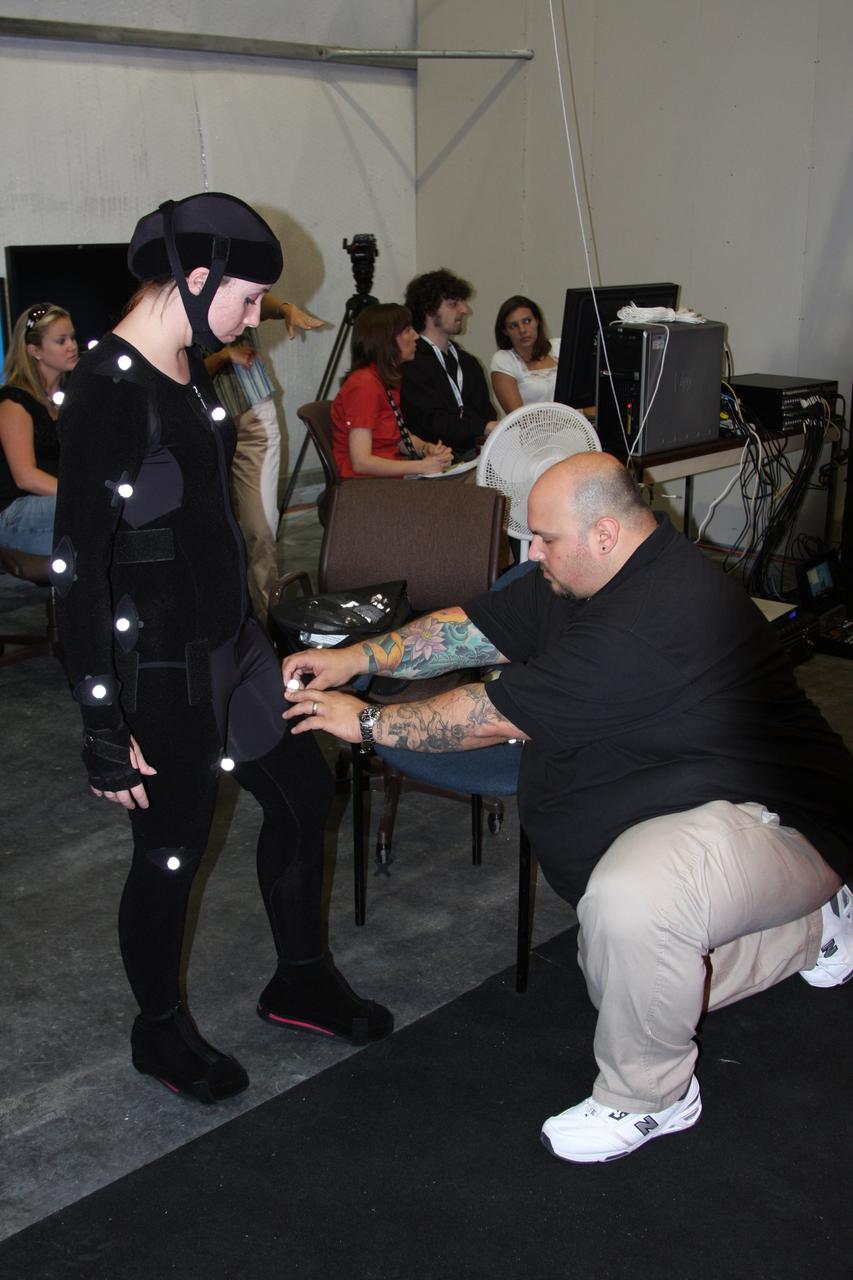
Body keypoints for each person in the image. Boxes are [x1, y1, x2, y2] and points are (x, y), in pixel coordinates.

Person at [281, 451, 853, 1162]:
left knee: (632, 909)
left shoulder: (661, 614)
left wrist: (361, 723)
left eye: (543, 538)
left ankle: (650, 1097)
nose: (530, 553)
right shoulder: (582, 574)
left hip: (786, 822)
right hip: (704, 800)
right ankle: (810, 927)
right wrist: (357, 659)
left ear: (604, 533)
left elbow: (486, 717)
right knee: (615, 966)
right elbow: (472, 628)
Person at [51, 191, 392, 1106]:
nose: (255, 319)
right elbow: (77, 566)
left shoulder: (185, 365)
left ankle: (300, 978)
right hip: (161, 666)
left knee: (305, 790)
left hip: (234, 640)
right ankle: (157, 1031)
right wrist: (97, 718)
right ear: (195, 279)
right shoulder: (109, 390)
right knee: (169, 851)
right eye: (247, 299)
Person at [203, 293, 322, 619]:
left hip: (251, 418)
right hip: (200, 426)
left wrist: (285, 308)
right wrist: (224, 356)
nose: (250, 317)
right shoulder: (175, 293)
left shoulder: (229, 276)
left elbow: (257, 301)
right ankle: (226, 623)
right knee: (212, 532)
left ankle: (270, 627)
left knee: (260, 530)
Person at [331, 303, 453, 479]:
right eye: (408, 330)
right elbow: (361, 462)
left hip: (385, 483)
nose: (416, 336)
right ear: (386, 340)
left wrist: (427, 449)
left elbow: (399, 439)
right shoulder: (364, 384)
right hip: (364, 488)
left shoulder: (382, 380)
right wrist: (421, 466)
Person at [0, 303, 78, 554]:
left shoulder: (68, 399)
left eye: (72, 337)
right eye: (61, 340)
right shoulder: (14, 401)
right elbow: (25, 476)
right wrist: (81, 491)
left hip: (52, 502)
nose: (72, 346)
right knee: (94, 506)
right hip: (16, 510)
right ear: (35, 350)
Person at [400, 268, 497, 454]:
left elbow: (487, 415)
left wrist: (485, 427)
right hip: (434, 462)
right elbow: (432, 425)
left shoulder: (468, 363)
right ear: (429, 308)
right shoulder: (411, 363)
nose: (465, 310)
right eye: (453, 304)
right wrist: (483, 427)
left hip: (475, 458)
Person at [490, 295, 560, 413]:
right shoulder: (504, 360)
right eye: (513, 325)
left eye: (527, 321)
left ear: (537, 321)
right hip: (535, 430)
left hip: (580, 426)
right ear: (505, 331)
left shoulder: (559, 346)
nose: (522, 330)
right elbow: (520, 419)